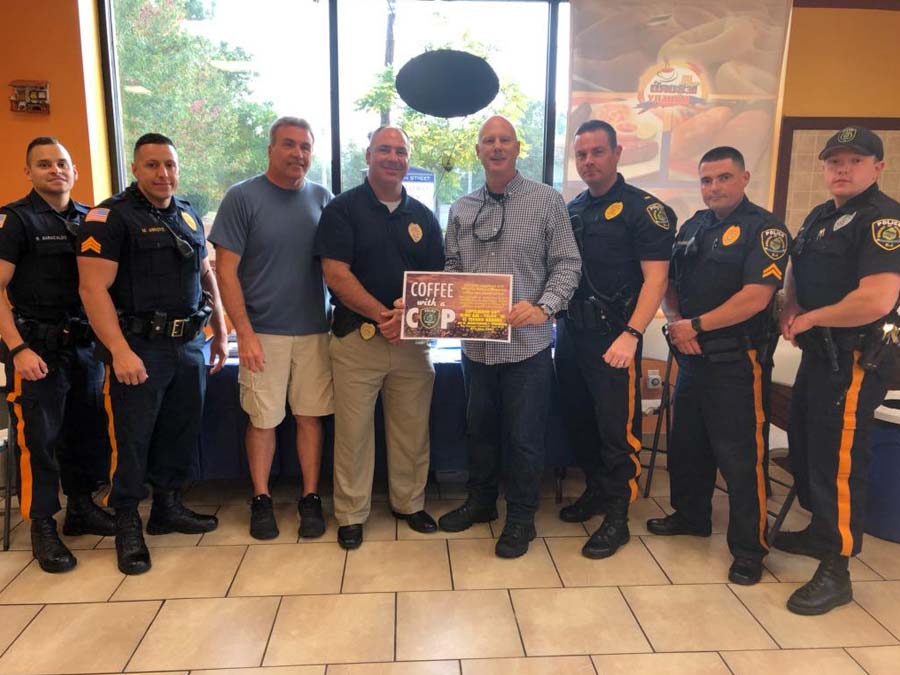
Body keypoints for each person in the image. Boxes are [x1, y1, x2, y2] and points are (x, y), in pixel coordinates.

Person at [77, 133, 228, 574]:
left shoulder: (187, 214)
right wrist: (119, 351)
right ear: (135, 169)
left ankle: (167, 507)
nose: (163, 174)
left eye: (170, 165)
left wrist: (220, 330)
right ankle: (127, 521)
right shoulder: (110, 218)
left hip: (188, 344)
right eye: (152, 165)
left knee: (180, 429)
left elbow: (206, 275)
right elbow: (92, 288)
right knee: (132, 439)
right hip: (139, 348)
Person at [439, 115, 581, 558]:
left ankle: (521, 517)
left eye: (505, 140)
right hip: (476, 348)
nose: (497, 147)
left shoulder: (547, 201)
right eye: (488, 141)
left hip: (527, 349)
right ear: (478, 151)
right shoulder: (461, 208)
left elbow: (568, 263)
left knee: (524, 438)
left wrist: (543, 307)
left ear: (518, 148)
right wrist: (436, 300)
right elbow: (452, 268)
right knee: (479, 432)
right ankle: (482, 503)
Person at [647, 146, 789, 586]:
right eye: (706, 180)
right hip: (691, 356)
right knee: (688, 445)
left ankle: (749, 549)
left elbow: (756, 297)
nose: (714, 187)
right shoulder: (693, 226)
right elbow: (669, 283)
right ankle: (691, 516)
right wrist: (677, 325)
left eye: (724, 177)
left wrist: (696, 326)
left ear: (744, 178)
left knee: (741, 457)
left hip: (736, 361)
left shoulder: (765, 228)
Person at [778, 127, 900, 614]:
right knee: (808, 445)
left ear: (878, 167)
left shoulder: (882, 220)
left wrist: (812, 318)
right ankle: (819, 532)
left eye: (854, 160)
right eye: (834, 161)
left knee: (840, 461)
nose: (842, 169)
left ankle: (837, 569)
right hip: (819, 355)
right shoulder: (820, 215)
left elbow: (877, 299)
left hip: (854, 358)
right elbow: (797, 270)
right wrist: (791, 306)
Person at [315, 126, 444, 550]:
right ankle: (351, 514)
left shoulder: (423, 216)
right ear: (368, 155)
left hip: (412, 344)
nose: (393, 157)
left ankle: (409, 504)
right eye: (384, 150)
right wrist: (383, 314)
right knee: (353, 435)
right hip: (358, 339)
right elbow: (335, 274)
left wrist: (407, 316)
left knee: (412, 431)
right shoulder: (342, 209)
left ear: (408, 159)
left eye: (401, 151)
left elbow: (436, 279)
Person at [556, 120, 675, 559]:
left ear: (617, 153)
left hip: (614, 338)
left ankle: (618, 516)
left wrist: (631, 334)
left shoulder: (644, 210)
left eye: (597, 152)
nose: (588, 161)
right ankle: (595, 491)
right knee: (580, 420)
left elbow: (656, 280)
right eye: (581, 154)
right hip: (572, 334)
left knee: (616, 429)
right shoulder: (572, 209)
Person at [210, 117, 333, 540]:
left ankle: (310, 498)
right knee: (262, 421)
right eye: (288, 144)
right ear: (270, 149)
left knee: (310, 418)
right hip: (261, 333)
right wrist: (242, 333)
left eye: (305, 146)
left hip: (315, 331)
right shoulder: (242, 197)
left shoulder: (322, 198)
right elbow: (225, 272)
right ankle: (261, 499)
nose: (298, 153)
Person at [0, 137, 115, 573]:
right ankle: (43, 524)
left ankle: (81, 508)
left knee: (86, 431)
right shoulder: (15, 220)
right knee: (40, 440)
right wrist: (17, 348)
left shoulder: (92, 218)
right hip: (37, 349)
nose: (55, 170)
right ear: (28, 172)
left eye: (62, 163)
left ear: (74, 170)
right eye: (44, 164)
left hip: (84, 346)